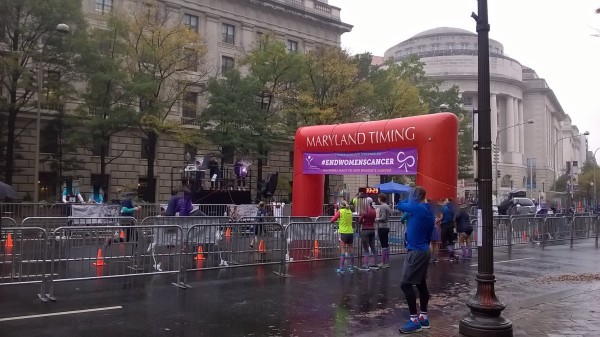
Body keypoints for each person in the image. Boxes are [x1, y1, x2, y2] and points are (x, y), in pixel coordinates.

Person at [396, 186, 435, 334]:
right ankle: (423, 317)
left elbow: (399, 204)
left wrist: (410, 198)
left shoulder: (418, 208)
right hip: (423, 249)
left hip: (416, 251)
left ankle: (414, 320)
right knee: (420, 284)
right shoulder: (426, 210)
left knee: (405, 285)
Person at [330, 201, 355, 274]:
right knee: (351, 249)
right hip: (350, 232)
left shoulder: (340, 211)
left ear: (340, 206)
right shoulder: (349, 211)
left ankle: (341, 268)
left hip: (343, 232)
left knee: (343, 250)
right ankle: (352, 267)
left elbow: (332, 220)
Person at [358, 198, 378, 271]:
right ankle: (375, 264)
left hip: (365, 230)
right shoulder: (374, 210)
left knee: (366, 249)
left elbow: (360, 220)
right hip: (372, 229)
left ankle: (366, 266)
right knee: (373, 247)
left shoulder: (365, 210)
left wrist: (361, 221)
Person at [376, 194, 392, 268]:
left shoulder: (382, 206)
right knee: (386, 244)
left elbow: (383, 217)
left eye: (378, 198)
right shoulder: (387, 206)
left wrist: (377, 219)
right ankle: (387, 262)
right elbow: (389, 214)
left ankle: (383, 262)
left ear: (380, 199)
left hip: (382, 227)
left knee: (383, 245)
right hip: (387, 226)